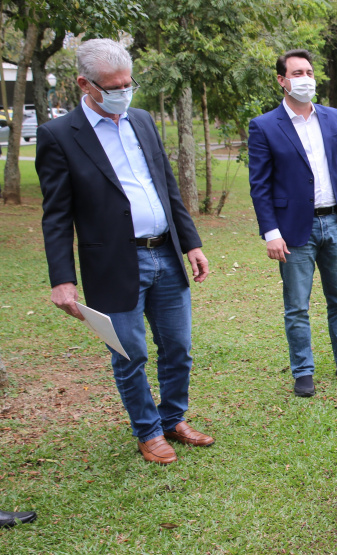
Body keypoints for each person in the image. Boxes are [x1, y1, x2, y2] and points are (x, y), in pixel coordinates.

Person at [37, 39, 213, 466]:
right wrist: (62, 278)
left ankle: (173, 418)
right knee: (130, 352)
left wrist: (190, 241)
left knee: (178, 347)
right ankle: (148, 431)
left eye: (127, 83)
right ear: (85, 84)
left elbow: (166, 187)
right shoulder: (59, 136)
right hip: (113, 263)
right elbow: (56, 215)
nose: (123, 91)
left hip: (165, 254)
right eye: (112, 86)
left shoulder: (142, 120)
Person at [248, 49, 337, 398]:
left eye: (309, 72)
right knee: (297, 306)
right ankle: (303, 370)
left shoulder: (332, 117)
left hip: (335, 221)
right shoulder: (264, 126)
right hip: (292, 231)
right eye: (297, 73)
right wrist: (270, 232)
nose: (305, 79)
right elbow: (259, 186)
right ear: (281, 80)